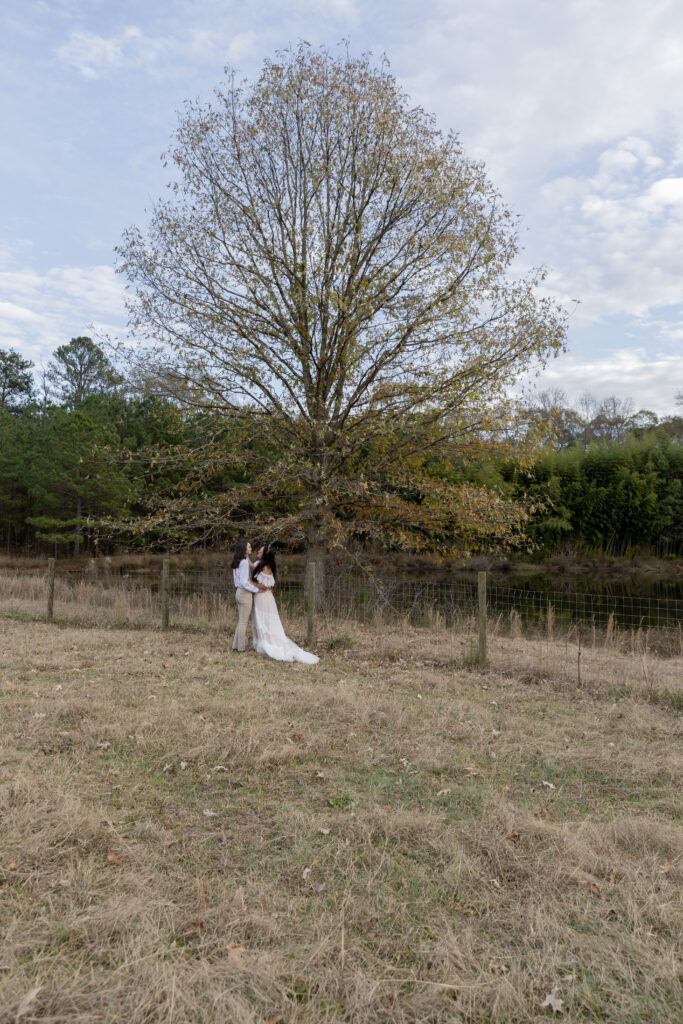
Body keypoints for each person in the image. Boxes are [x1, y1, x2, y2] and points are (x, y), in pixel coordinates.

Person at [251, 544, 319, 664]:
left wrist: (251, 583)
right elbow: (252, 567)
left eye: (261, 551)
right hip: (259, 597)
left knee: (266, 621)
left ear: (265, 555)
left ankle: (270, 642)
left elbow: (266, 586)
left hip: (264, 598)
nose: (258, 552)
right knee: (259, 619)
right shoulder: (258, 564)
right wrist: (245, 557)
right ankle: (261, 640)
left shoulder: (266, 568)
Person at [231, 539, 266, 652]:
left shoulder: (239, 561)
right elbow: (244, 582)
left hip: (239, 592)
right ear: (244, 549)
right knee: (243, 622)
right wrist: (256, 589)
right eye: (249, 547)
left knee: (241, 621)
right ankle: (241, 648)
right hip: (245, 594)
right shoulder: (244, 563)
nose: (251, 548)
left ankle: (235, 646)